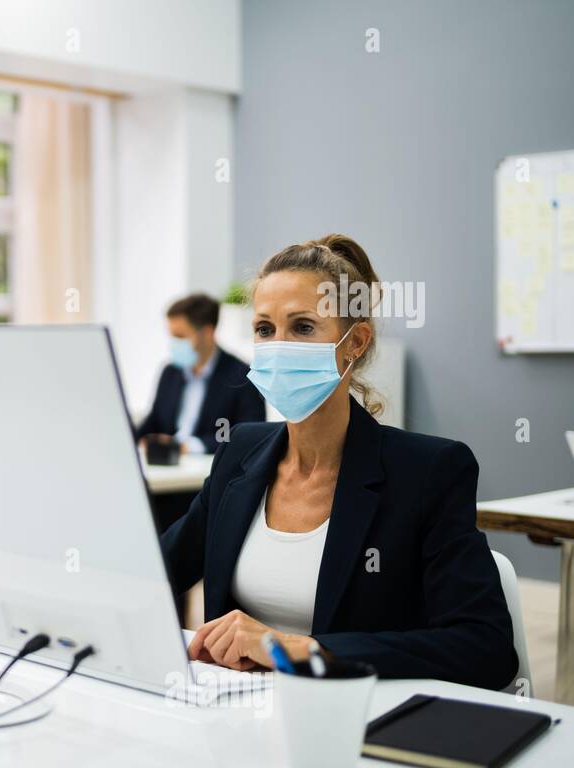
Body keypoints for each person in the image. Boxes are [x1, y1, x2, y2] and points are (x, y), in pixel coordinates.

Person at [161, 235, 516, 690]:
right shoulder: (240, 454)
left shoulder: (429, 472)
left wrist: (304, 649)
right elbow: (157, 572)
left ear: (355, 342)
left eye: (303, 327)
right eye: (265, 330)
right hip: (233, 720)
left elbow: (484, 647)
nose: (278, 346)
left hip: (355, 726)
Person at [135, 293, 265, 533]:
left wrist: (187, 446)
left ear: (206, 333)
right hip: (162, 476)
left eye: (180, 336)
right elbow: (153, 421)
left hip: (199, 487)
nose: (173, 344)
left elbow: (248, 436)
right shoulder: (170, 372)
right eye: (171, 336)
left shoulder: (241, 377)